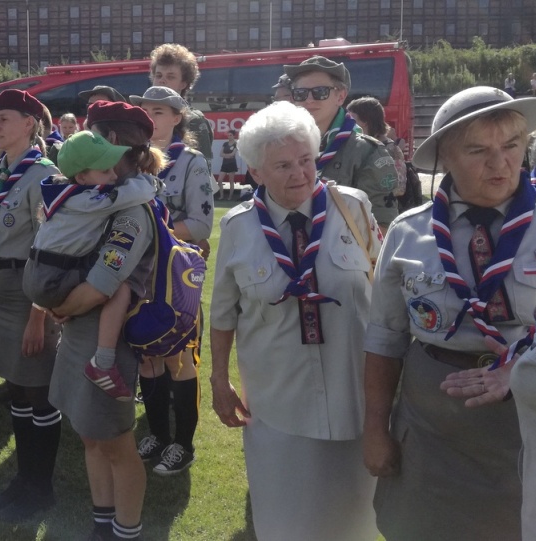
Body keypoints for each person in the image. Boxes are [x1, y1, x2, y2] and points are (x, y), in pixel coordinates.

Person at [362, 86, 536, 541]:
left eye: (511, 147)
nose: (500, 163)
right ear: (446, 154)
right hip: (433, 425)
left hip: (530, 418)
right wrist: (375, 428)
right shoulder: (407, 233)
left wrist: (520, 371)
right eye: (478, 150)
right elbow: (385, 338)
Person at [211, 101, 382, 541]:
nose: (300, 174)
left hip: (355, 397)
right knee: (286, 521)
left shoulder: (354, 209)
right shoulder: (237, 227)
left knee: (355, 520)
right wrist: (218, 380)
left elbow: (385, 296)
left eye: (305, 160)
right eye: (282, 165)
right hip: (278, 404)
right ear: (256, 172)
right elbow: (223, 313)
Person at [47, 100, 161, 541]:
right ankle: (103, 523)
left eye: (91, 134)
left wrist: (60, 307)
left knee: (116, 443)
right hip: (82, 332)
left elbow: (102, 285)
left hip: (106, 343)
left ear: (111, 142)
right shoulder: (103, 197)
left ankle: (125, 530)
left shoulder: (131, 208)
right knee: (90, 436)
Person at [0, 89, 63, 519]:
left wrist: (38, 319)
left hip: (30, 291)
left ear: (29, 124)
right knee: (17, 391)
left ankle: (40, 487)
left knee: (39, 392)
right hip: (0, 288)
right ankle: (24, 479)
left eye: (4, 118)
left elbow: (52, 251)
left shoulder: (44, 176)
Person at [130, 85, 214, 475]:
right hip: (142, 273)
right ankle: (159, 436)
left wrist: (154, 231)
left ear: (178, 117)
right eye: (146, 111)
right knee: (149, 354)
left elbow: (200, 222)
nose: (152, 118)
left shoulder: (191, 161)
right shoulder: (134, 159)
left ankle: (184, 444)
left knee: (181, 358)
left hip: (177, 275)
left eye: (160, 111)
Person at [284, 56, 399, 229]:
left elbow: (382, 227)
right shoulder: (282, 147)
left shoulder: (366, 151)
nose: (308, 100)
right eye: (300, 93)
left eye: (320, 92)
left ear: (340, 96)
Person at [149, 43, 214, 163]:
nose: (162, 80)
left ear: (183, 84)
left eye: (171, 77)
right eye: (158, 75)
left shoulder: (194, 121)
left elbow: (204, 169)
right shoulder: (143, 116)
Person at [346, 97, 408, 209]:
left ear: (365, 121)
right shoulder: (358, 147)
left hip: (381, 214)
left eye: (352, 119)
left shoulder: (391, 150)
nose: (348, 123)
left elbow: (399, 188)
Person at [218, 130, 239, 199]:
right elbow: (220, 154)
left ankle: (230, 196)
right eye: (228, 135)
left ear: (234, 136)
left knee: (231, 181)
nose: (229, 137)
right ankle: (221, 196)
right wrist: (228, 155)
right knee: (219, 180)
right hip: (224, 164)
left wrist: (225, 155)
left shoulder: (236, 144)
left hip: (231, 164)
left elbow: (233, 154)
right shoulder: (225, 144)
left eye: (231, 135)